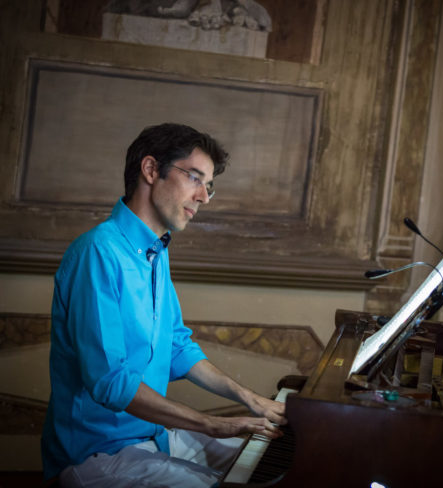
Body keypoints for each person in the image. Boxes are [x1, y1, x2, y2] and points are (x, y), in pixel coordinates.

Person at [41, 123, 286, 487]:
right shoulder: (97, 251)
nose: (203, 197)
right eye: (195, 178)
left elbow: (177, 347)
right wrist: (210, 424)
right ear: (151, 170)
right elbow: (110, 382)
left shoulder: (156, 250)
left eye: (209, 185)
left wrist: (250, 399)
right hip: (97, 454)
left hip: (153, 438)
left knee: (269, 461)